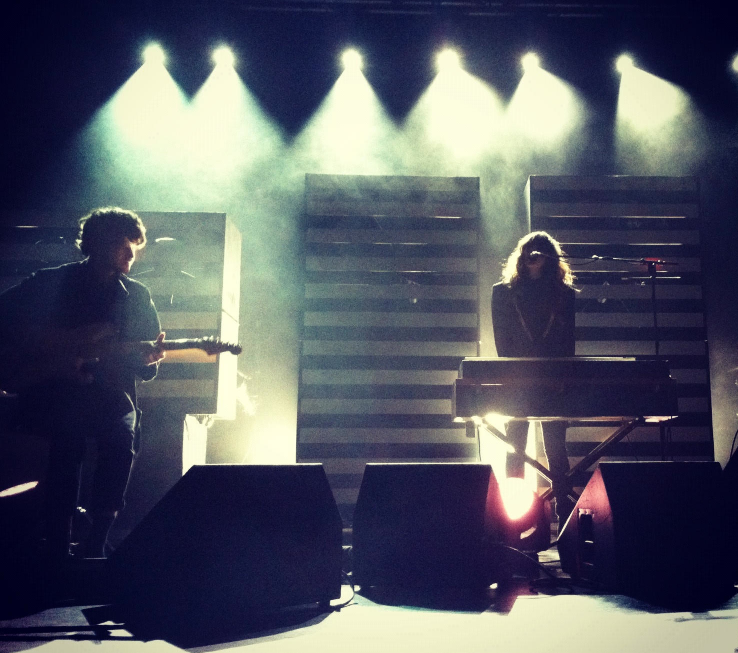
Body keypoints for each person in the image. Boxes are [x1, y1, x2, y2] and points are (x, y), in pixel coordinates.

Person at [0, 207, 165, 559]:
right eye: (125, 243)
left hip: (110, 393)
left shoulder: (136, 296)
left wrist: (147, 357)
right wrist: (58, 343)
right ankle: (58, 541)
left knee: (122, 438)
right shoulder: (50, 282)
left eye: (135, 245)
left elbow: (145, 364)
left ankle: (97, 541)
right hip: (56, 389)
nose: (132, 252)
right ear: (98, 242)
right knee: (66, 442)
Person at [491, 231, 577, 524]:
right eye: (529, 249)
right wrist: (511, 375)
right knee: (516, 449)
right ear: (521, 255)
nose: (534, 255)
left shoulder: (564, 294)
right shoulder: (503, 292)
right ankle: (515, 522)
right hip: (517, 381)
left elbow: (569, 341)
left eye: (540, 250)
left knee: (556, 450)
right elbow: (501, 341)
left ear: (550, 257)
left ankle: (565, 520)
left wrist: (564, 377)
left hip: (553, 380)